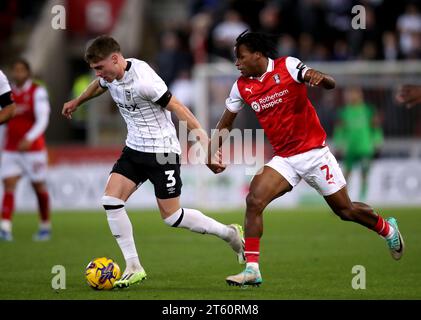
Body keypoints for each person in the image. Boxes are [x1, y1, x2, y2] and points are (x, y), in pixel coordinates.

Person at [206, 31, 404, 287]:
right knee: (254, 200)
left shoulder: (287, 66)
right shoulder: (241, 86)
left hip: (314, 153)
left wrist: (320, 79)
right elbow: (226, 122)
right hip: (285, 159)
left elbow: (329, 83)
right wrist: (209, 153)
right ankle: (252, 269)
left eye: (240, 57)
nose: (237, 63)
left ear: (257, 54)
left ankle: (388, 230)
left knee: (345, 210)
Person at [62, 35, 244, 289]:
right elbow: (99, 85)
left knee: (171, 216)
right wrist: (77, 101)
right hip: (134, 149)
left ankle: (229, 233)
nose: (99, 74)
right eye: (95, 70)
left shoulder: (145, 83)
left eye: (100, 68)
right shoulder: (110, 76)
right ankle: (134, 266)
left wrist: (207, 148)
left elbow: (181, 110)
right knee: (111, 201)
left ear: (115, 59)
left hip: (163, 152)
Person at [0, 59, 51, 242]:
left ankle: (45, 225)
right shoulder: (7, 93)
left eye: (22, 70)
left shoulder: (38, 91)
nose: (18, 73)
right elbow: (4, 122)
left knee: (38, 187)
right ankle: (5, 227)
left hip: (33, 149)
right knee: (9, 185)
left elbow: (43, 119)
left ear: (28, 72)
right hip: (11, 149)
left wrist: (29, 138)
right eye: (15, 70)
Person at [333, 87, 383, 201]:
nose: (351, 96)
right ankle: (344, 200)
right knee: (346, 175)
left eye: (354, 94)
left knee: (364, 174)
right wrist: (339, 143)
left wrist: (377, 141)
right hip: (350, 148)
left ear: (360, 95)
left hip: (365, 148)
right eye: (349, 94)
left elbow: (376, 127)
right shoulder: (344, 111)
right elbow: (339, 129)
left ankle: (363, 198)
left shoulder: (368, 110)